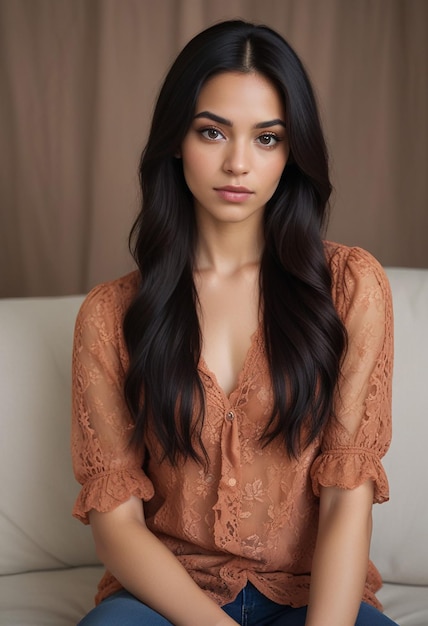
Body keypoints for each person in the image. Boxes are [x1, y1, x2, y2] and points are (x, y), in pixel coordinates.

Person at [71, 19, 396, 626]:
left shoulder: (351, 287)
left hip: (311, 598)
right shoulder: (110, 315)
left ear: (292, 151)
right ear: (176, 139)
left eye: (267, 138)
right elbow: (116, 525)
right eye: (213, 131)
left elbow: (347, 501)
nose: (238, 162)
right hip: (168, 601)